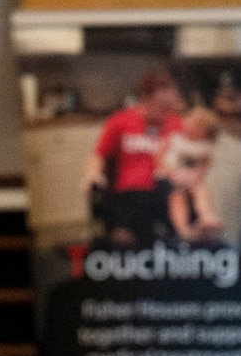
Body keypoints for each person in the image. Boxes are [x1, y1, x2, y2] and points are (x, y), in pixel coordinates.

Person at [83, 66, 184, 245]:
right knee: (127, 220)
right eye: (161, 106)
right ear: (144, 98)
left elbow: (191, 157)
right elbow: (99, 155)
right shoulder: (120, 121)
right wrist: (92, 173)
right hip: (130, 192)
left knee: (176, 203)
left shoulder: (178, 124)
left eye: (169, 107)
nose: (165, 113)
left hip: (165, 191)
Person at [162, 105, 222, 241]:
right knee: (177, 198)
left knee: (202, 191)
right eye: (192, 123)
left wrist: (195, 176)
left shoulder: (204, 148)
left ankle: (205, 215)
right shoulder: (175, 139)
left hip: (191, 180)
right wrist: (169, 172)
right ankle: (183, 230)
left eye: (199, 128)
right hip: (173, 177)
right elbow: (160, 157)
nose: (192, 129)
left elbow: (202, 169)